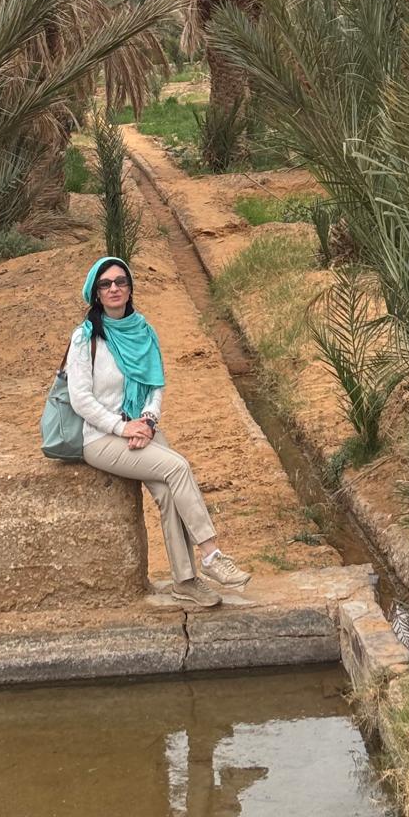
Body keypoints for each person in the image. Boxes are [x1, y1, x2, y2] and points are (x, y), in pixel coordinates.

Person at [66, 255, 253, 609]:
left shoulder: (142, 330)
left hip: (141, 428)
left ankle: (185, 581)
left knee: (169, 493)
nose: (115, 288)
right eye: (105, 284)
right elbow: (81, 400)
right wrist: (123, 427)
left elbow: (155, 385)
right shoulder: (85, 338)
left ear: (130, 286)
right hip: (100, 437)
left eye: (121, 281)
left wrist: (148, 422)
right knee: (177, 467)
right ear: (95, 293)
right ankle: (211, 555)